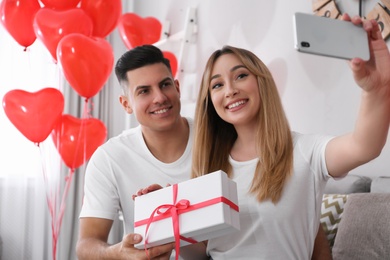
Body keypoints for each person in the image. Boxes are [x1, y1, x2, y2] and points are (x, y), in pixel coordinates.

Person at [76, 44, 331, 259]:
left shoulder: (222, 132)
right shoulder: (109, 159)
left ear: (177, 87)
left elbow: (294, 200)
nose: (160, 98)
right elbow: (86, 245)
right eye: (144, 91)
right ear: (126, 104)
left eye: (165, 85)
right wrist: (118, 252)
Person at [191, 14, 390, 259]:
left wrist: (377, 90)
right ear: (210, 101)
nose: (230, 90)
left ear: (261, 82)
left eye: (241, 75)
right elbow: (197, 252)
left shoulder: (305, 152)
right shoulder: (206, 167)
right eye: (217, 85)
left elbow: (364, 146)